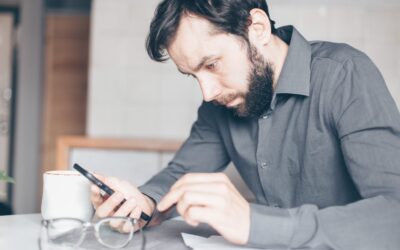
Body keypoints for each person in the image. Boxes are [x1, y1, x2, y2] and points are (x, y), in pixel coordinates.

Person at [91, 0, 400, 249]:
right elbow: (179, 176)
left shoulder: (344, 74)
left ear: (258, 29)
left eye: (211, 65)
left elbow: (394, 214)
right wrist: (141, 203)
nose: (207, 92)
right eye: (193, 75)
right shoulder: (221, 103)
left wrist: (253, 224)